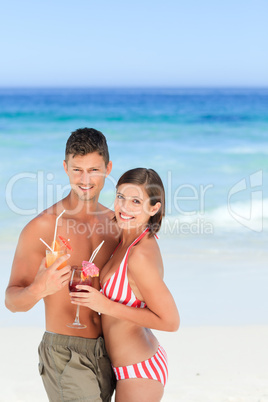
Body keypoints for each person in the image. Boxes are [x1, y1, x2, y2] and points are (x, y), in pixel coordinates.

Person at [5, 128, 119, 402]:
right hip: (65, 353)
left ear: (108, 168)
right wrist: (38, 289)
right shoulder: (43, 227)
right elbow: (12, 301)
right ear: (65, 168)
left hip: (111, 352)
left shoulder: (117, 226)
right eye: (77, 169)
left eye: (94, 169)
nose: (85, 179)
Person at [70, 168, 180, 402]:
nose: (124, 207)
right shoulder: (125, 238)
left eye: (136, 201)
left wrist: (105, 305)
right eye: (120, 197)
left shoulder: (140, 256)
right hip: (120, 363)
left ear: (154, 209)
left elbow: (171, 322)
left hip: (139, 370)